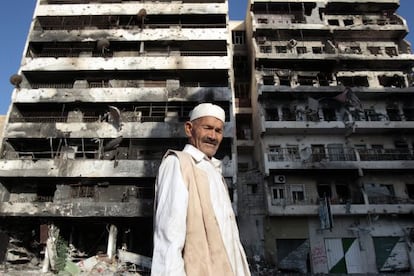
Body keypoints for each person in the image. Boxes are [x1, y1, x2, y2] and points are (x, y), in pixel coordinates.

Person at [151, 103, 250, 276]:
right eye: (207, 128)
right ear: (189, 129)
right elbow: (169, 238)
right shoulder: (178, 163)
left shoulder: (215, 172)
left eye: (218, 131)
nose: (213, 136)